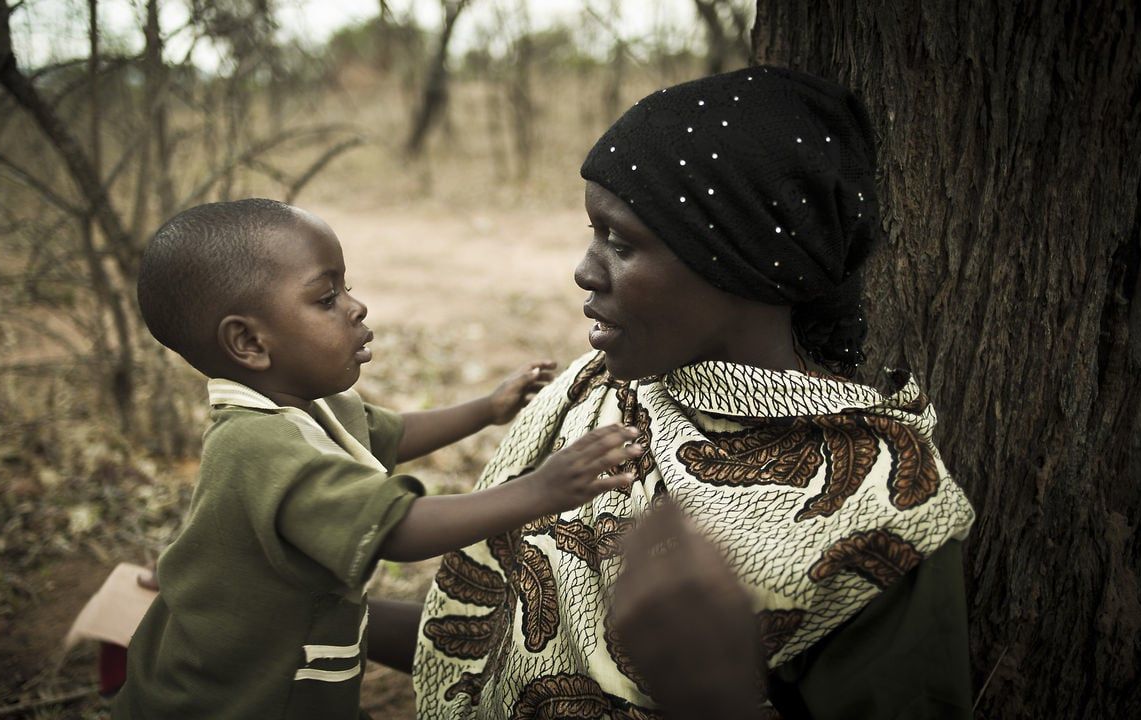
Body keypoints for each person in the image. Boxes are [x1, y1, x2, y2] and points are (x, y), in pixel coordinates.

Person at [397, 67, 977, 719]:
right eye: (593, 233)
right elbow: (503, 616)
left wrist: (710, 695)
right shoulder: (599, 388)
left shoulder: (886, 511)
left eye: (620, 241)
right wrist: (321, 611)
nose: (585, 270)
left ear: (737, 259)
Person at [113, 198, 643, 720]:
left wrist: (486, 409)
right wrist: (538, 491)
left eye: (347, 287)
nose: (355, 306)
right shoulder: (258, 446)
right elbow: (395, 530)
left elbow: (390, 434)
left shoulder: (308, 404)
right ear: (249, 341)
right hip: (236, 699)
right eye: (325, 298)